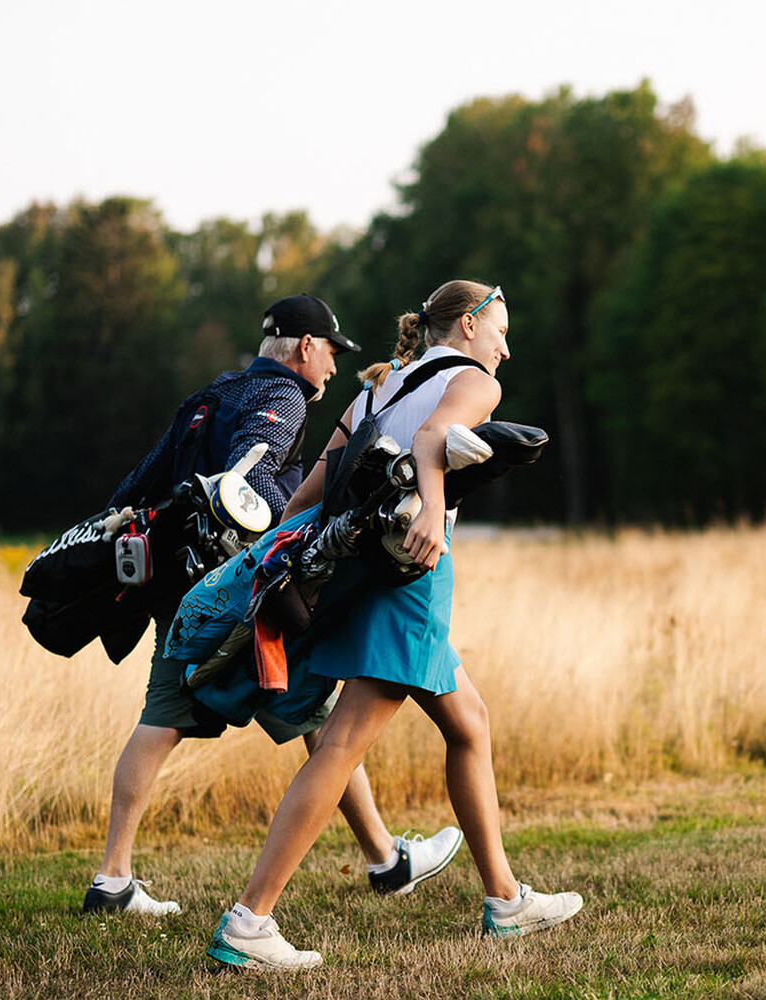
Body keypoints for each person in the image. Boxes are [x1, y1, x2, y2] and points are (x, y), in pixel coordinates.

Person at [206, 280, 584, 970]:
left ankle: (505, 899)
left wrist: (272, 547)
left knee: (469, 723)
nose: (507, 343)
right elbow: (438, 438)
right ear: (468, 325)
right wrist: (435, 512)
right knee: (344, 742)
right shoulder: (473, 380)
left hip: (361, 565)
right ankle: (249, 921)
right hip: (411, 567)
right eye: (500, 326)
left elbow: (320, 474)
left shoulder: (380, 386)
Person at [82, 294, 462, 916]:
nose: (336, 369)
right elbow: (250, 487)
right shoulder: (282, 399)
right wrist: (295, 525)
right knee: (319, 714)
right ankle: (383, 862)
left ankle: (113, 878)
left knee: (182, 717)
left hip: (179, 588)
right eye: (332, 353)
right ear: (305, 347)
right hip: (236, 591)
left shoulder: (214, 392)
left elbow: (137, 484)